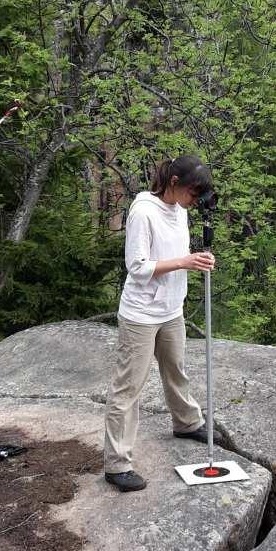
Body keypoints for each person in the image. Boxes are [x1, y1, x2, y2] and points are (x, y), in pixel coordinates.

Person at [104, 154, 222, 492]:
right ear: (174, 183)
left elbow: (176, 255)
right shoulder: (143, 212)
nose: (195, 201)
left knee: (176, 370)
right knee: (129, 387)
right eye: (192, 193)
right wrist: (184, 261)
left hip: (171, 310)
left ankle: (186, 423)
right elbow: (137, 266)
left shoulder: (181, 210)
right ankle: (117, 464)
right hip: (141, 314)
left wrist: (196, 259)